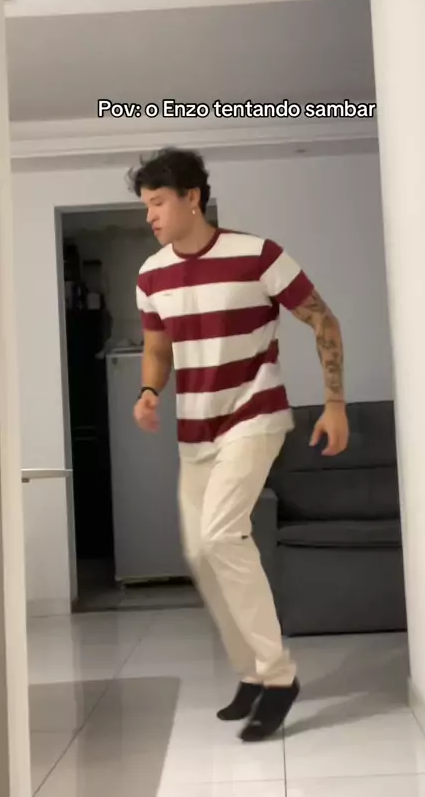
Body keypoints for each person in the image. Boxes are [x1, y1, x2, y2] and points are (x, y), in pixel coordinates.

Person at [128, 147, 349, 741]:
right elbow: (157, 348)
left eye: (157, 203)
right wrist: (148, 391)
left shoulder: (257, 255)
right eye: (145, 205)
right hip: (194, 428)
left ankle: (279, 678)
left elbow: (323, 320)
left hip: (254, 414)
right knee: (200, 553)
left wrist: (334, 403)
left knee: (223, 535)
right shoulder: (151, 274)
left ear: (192, 198)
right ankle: (251, 672)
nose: (149, 216)